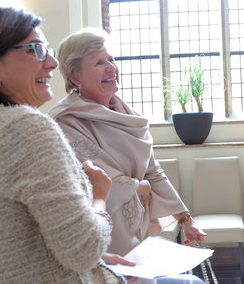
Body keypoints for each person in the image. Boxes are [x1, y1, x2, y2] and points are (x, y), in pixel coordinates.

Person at [0, 7, 123, 283]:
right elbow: (82, 251)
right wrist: (99, 196)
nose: (53, 63)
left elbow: (3, 237)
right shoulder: (23, 127)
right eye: (36, 49)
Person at [48, 29, 207, 257]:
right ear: (75, 77)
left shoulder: (127, 113)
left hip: (138, 224)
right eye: (99, 63)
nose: (112, 67)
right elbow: (96, 178)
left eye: (111, 59)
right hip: (102, 228)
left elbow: (152, 171)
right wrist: (138, 187)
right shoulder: (66, 121)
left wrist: (186, 221)